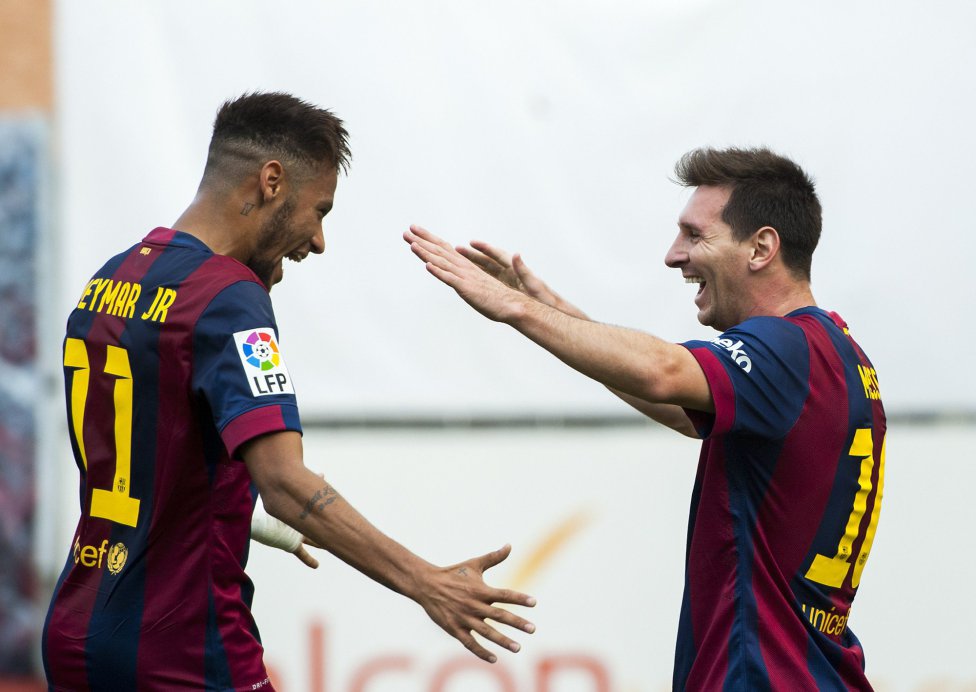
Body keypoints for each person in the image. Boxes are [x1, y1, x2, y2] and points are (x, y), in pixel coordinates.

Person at [42, 92, 535, 691]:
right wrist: (426, 582)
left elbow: (149, 462)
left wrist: (238, 511)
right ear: (272, 181)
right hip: (180, 649)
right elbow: (284, 482)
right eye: (319, 210)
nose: (319, 240)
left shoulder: (112, 277)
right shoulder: (228, 297)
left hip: (78, 632)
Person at [403, 146, 886, 691]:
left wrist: (513, 308)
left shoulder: (784, 348)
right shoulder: (838, 352)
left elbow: (661, 370)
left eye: (695, 235)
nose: (673, 255)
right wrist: (557, 313)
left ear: (761, 248)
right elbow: (680, 406)